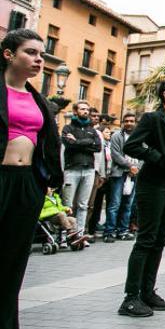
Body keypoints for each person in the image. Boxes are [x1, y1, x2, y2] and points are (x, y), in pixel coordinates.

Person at [0, 29, 63, 329]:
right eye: (31, 52)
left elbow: (47, 144)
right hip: (1, 178)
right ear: (9, 55)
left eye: (41, 53)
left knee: (10, 264)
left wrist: (48, 181)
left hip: (27, 185)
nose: (40, 58)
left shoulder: (39, 101)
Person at [118, 76, 165, 317]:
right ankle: (130, 298)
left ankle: (147, 291)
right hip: (153, 184)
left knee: (160, 240)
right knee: (146, 239)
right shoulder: (153, 118)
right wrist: (157, 158)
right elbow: (132, 146)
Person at [61, 100, 101, 236]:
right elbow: (69, 144)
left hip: (89, 169)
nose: (85, 111)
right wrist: (87, 143)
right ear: (75, 111)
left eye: (87, 110)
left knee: (83, 205)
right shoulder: (68, 128)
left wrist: (77, 142)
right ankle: (65, 234)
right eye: (82, 109)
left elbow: (98, 147)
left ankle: (79, 234)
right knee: (67, 205)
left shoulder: (92, 130)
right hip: (72, 168)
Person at [104, 113, 140, 242]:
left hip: (134, 175)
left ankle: (123, 230)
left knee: (128, 204)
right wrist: (130, 166)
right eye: (126, 121)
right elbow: (116, 154)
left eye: (132, 121)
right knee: (115, 204)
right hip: (119, 174)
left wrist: (137, 168)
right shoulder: (116, 136)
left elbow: (144, 153)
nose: (129, 123)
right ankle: (109, 231)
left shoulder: (140, 137)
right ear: (123, 122)